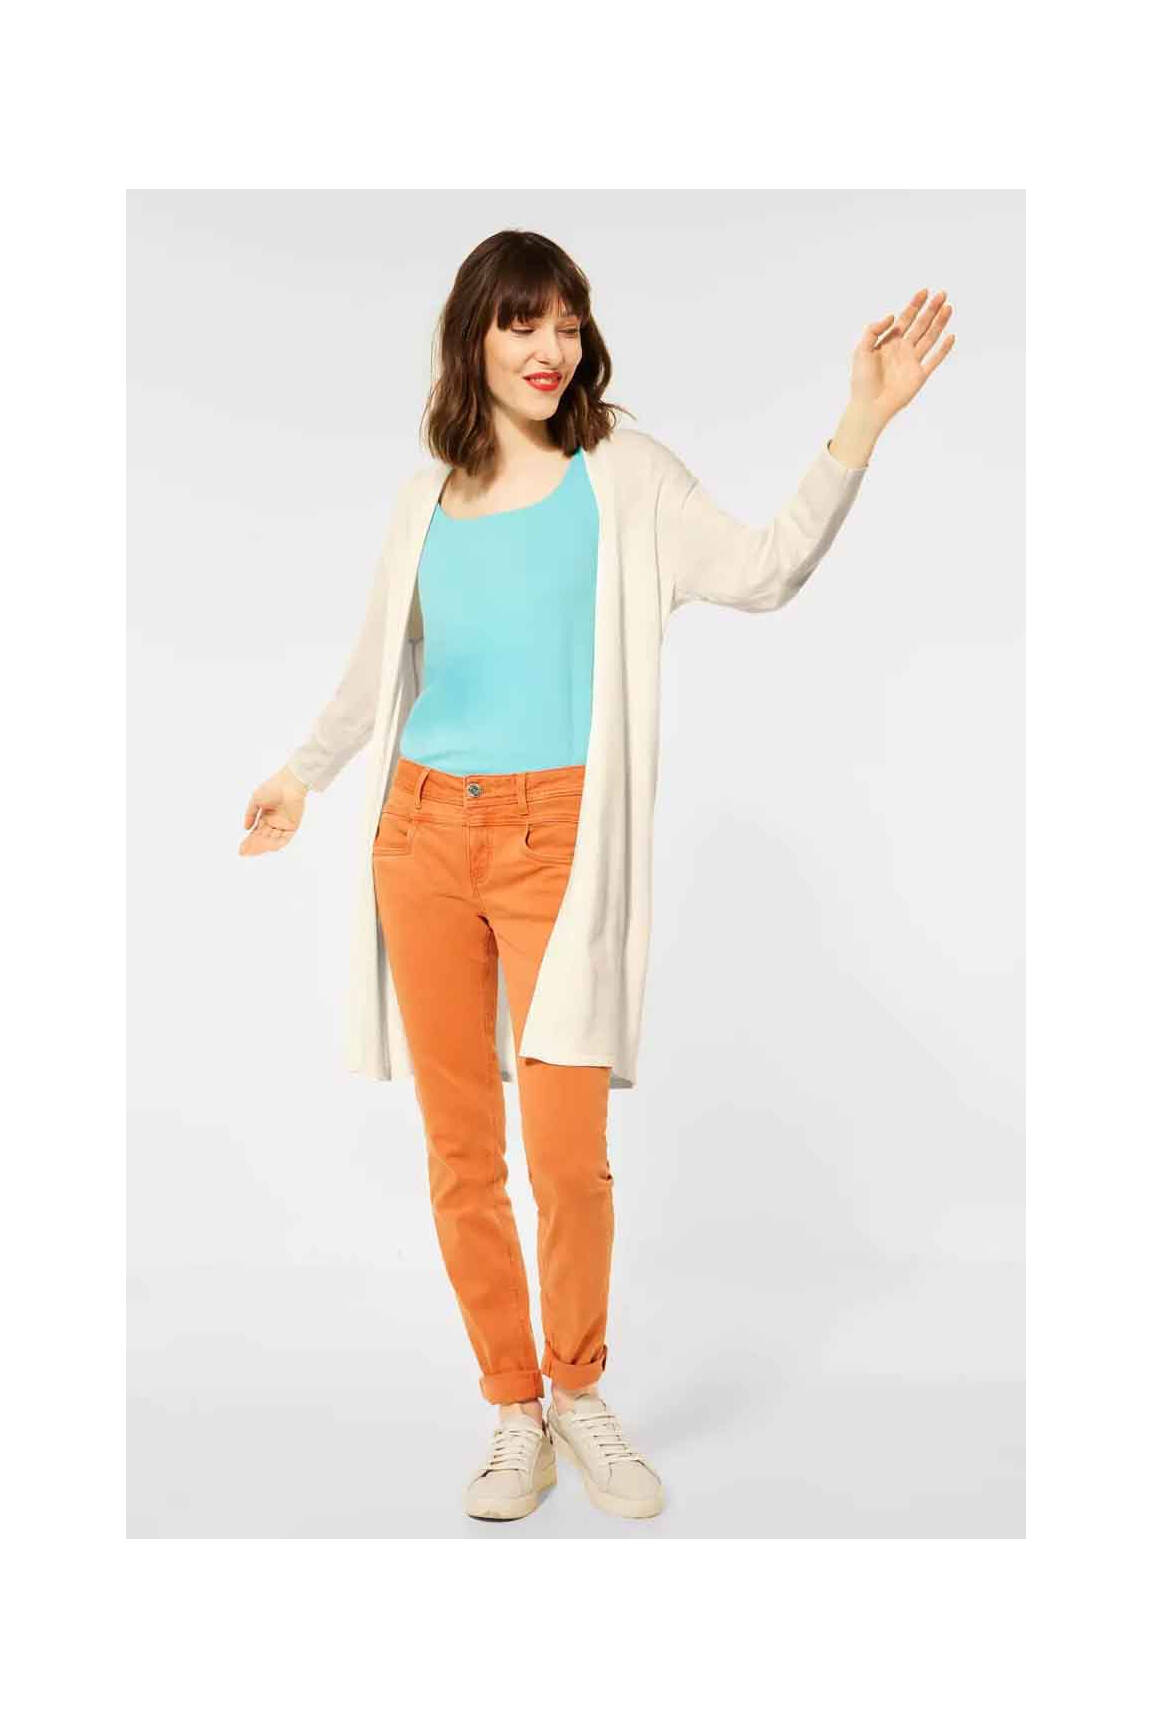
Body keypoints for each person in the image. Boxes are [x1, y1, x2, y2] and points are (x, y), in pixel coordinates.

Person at [239, 230, 955, 1523]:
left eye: (566, 323)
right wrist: (302, 773)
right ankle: (513, 1410)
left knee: (566, 1156)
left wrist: (861, 420)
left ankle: (580, 1392)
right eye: (522, 323)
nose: (549, 348)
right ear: (473, 336)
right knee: (461, 1154)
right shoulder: (423, 500)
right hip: (420, 835)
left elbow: (767, 568)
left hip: (557, 840)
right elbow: (373, 674)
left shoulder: (623, 476)